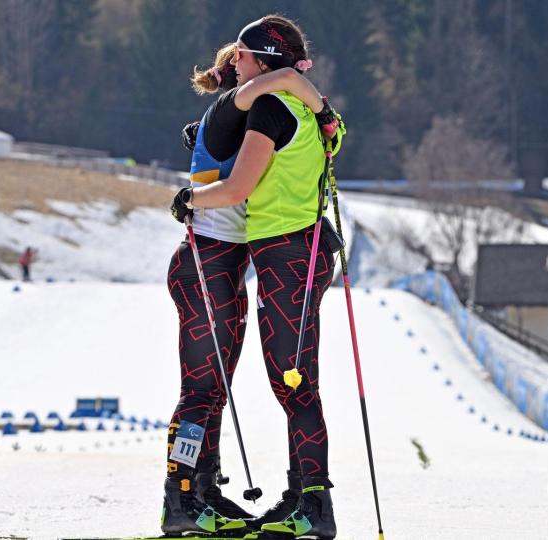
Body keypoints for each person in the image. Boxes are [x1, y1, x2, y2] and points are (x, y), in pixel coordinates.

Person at [170, 16, 345, 539]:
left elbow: (241, 185)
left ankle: (303, 504)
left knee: (280, 385)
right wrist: (324, 107)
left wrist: (186, 200)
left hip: (266, 253)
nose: (230, 63)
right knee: (213, 390)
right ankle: (190, 496)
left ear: (260, 62)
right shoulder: (276, 110)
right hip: (251, 257)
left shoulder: (263, 103)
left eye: (239, 56)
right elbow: (309, 108)